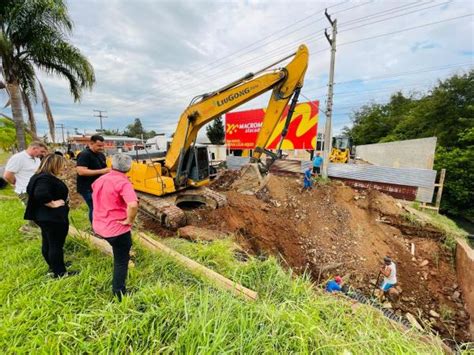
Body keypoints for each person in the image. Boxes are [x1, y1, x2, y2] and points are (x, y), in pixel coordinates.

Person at [92, 154, 138, 301]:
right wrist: (129, 220)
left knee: (118, 253)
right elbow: (132, 204)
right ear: (129, 168)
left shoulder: (99, 180)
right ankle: (119, 292)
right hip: (116, 229)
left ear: (111, 164)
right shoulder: (124, 183)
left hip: (99, 225)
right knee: (121, 261)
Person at [24, 154, 78, 278]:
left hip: (42, 216)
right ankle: (60, 273)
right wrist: (52, 203)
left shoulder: (37, 176)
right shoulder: (46, 179)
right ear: (54, 165)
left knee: (47, 242)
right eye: (61, 165)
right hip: (52, 218)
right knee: (56, 245)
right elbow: (41, 194)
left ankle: (53, 266)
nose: (63, 167)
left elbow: (29, 190)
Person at [4, 141, 48, 231]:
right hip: (25, 190)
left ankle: (33, 229)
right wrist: (16, 183)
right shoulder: (18, 158)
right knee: (34, 211)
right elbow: (7, 175)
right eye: (42, 151)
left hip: (36, 190)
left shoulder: (36, 159)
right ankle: (31, 230)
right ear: (34, 148)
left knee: (37, 211)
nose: (42, 154)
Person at [76, 135, 110, 223]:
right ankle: (95, 227)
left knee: (100, 207)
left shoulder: (101, 155)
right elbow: (81, 171)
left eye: (102, 146)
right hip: (87, 187)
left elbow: (105, 170)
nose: (101, 148)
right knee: (94, 207)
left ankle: (101, 225)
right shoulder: (84, 154)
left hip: (98, 187)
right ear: (91, 143)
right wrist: (102, 171)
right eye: (99, 146)